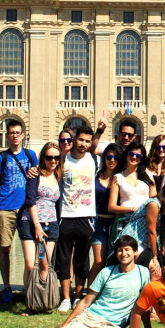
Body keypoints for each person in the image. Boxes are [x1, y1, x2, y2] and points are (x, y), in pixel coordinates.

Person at [24, 236, 151, 328]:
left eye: (127, 250)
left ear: (135, 252)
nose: (123, 254)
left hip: (112, 327)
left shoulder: (143, 273)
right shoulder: (106, 272)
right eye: (119, 250)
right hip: (91, 318)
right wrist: (63, 325)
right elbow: (86, 302)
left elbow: (144, 305)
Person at [0, 118, 38, 303]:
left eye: (17, 132)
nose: (15, 136)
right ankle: (7, 286)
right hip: (5, 208)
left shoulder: (31, 156)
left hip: (26, 209)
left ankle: (28, 287)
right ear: (7, 136)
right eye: (11, 133)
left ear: (22, 135)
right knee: (5, 248)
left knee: (28, 251)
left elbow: (39, 179)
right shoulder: (1, 157)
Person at [55, 124, 97, 313]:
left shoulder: (94, 159)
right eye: (80, 140)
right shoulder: (63, 161)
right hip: (66, 216)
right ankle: (65, 297)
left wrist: (101, 130)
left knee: (81, 261)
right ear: (74, 140)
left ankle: (77, 297)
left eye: (87, 141)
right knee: (64, 259)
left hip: (86, 217)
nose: (83, 144)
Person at [17, 142, 62, 294]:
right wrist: (37, 225)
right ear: (43, 157)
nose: (53, 161)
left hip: (50, 226)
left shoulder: (59, 176)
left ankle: (40, 298)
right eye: (49, 157)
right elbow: (30, 199)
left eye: (56, 157)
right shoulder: (35, 174)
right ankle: (29, 298)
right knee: (31, 264)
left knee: (43, 263)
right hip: (31, 224)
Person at [88, 143, 121, 286]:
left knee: (113, 261)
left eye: (116, 157)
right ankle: (88, 293)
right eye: (109, 157)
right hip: (98, 222)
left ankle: (103, 293)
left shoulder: (121, 177)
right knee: (99, 261)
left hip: (116, 223)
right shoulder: (95, 176)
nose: (112, 160)